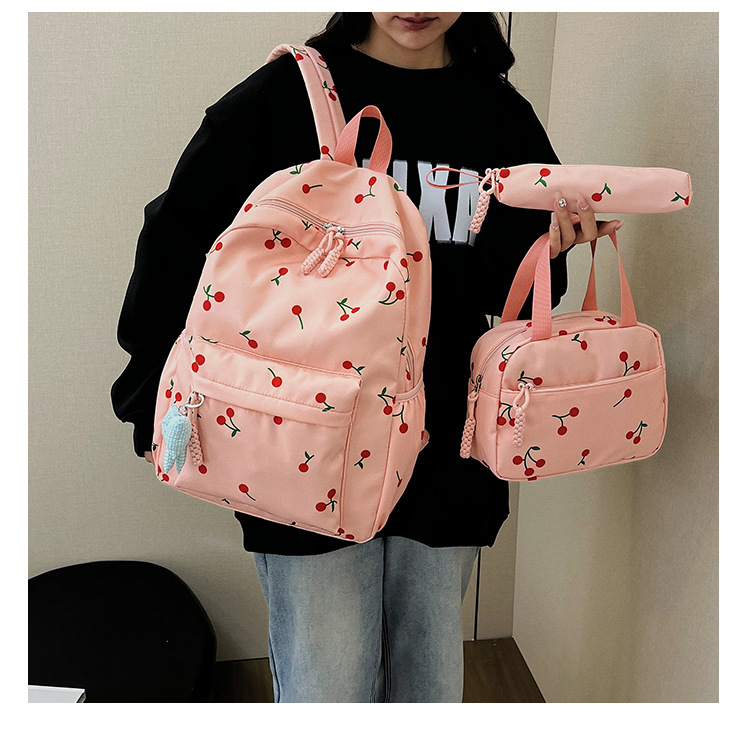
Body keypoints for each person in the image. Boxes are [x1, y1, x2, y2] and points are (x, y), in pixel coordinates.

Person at [111, 12, 606, 703]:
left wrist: (553, 247)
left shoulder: (498, 114)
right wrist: (149, 397)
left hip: (444, 444)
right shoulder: (290, 94)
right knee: (328, 681)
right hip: (303, 440)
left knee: (427, 678)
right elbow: (179, 238)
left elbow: (507, 299)